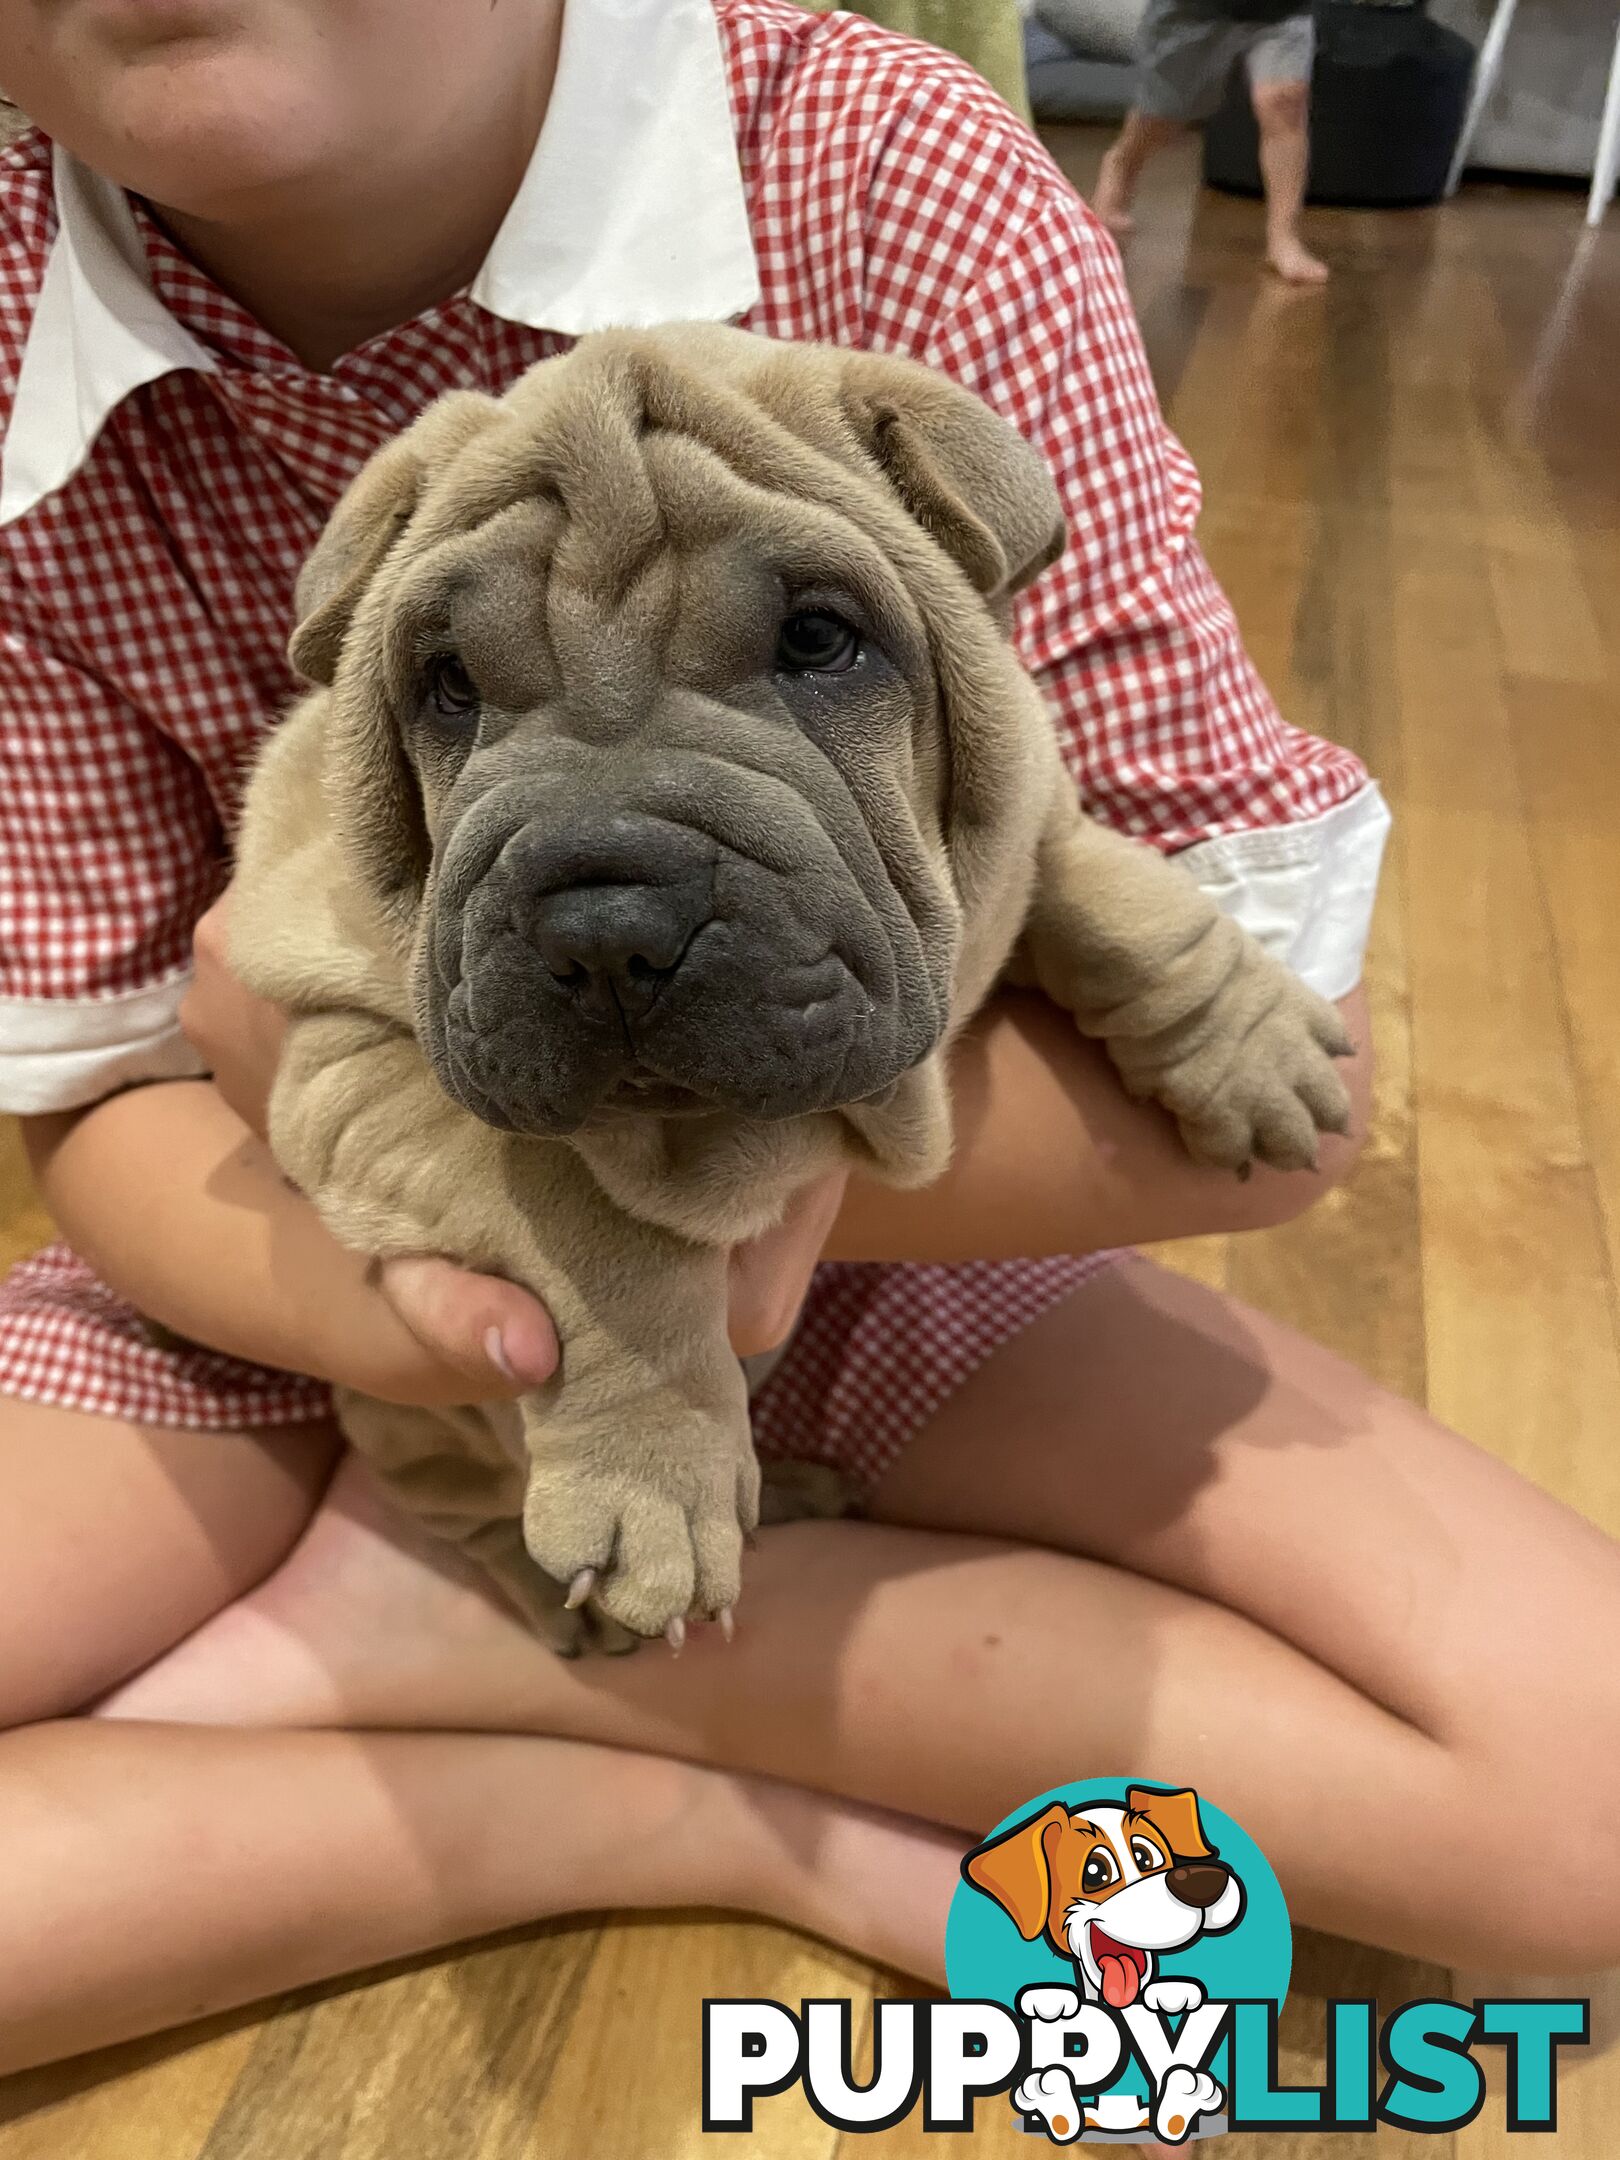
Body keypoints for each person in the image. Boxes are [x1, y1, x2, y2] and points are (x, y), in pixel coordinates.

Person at [2, 0, 1618, 2085]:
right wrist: (509, 1340)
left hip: (867, 1229)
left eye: (816, 645)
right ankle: (627, 1778)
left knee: (1581, 1799)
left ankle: (532, 1652)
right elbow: (116, 1091)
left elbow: (1262, 1045)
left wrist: (696, 1293)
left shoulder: (876, 175)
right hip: (298, 1241)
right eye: (464, 692)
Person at [1093, 0, 1332, 283]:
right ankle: (1122, 163)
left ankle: (1284, 237)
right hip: (1192, 11)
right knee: (1162, 116)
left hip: (1283, 10)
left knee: (1283, 100)